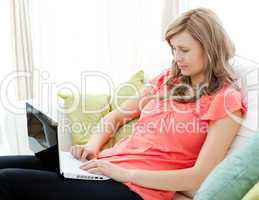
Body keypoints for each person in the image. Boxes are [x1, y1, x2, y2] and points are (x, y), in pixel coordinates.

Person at [0, 8, 247, 200]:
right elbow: (116, 117)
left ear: (210, 49)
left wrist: (124, 174)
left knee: (7, 182)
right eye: (173, 49)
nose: (176, 58)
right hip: (103, 168)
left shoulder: (225, 100)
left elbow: (200, 176)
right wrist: (92, 146)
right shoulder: (168, 80)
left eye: (184, 50)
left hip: (137, 190)